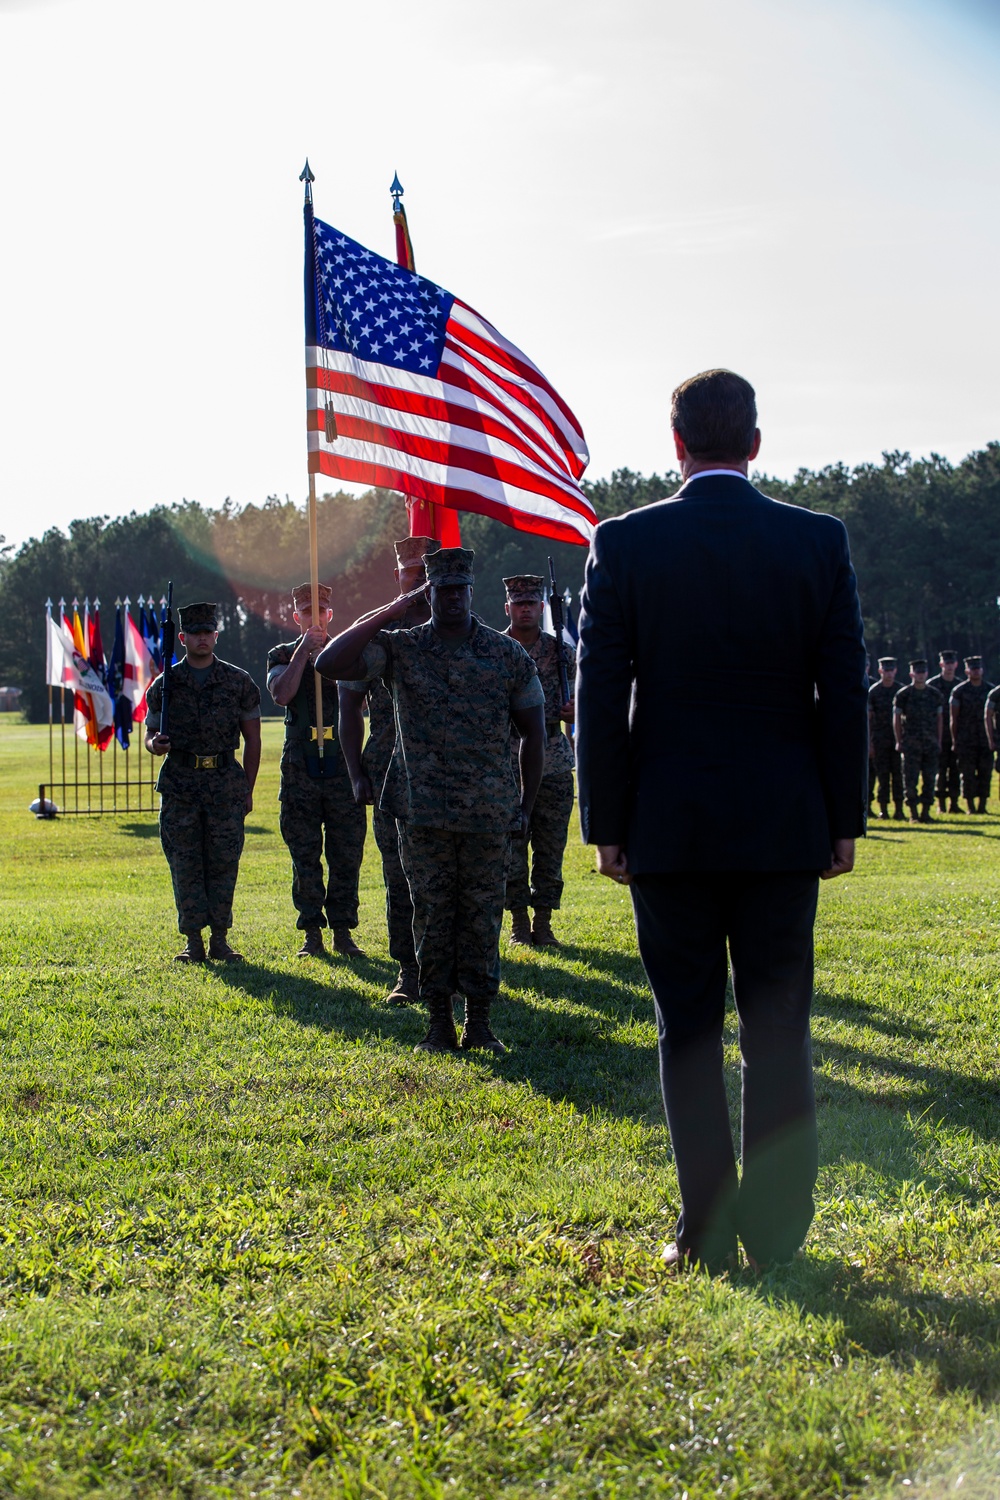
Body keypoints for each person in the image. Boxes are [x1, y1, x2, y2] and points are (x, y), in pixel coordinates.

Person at [575, 368, 867, 1274]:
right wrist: (842, 816)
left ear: (676, 446)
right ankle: (778, 1231)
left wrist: (605, 822)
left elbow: (599, 694)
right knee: (779, 1025)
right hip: (785, 822)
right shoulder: (816, 540)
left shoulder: (624, 543)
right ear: (754, 442)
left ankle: (700, 1230)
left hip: (670, 824)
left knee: (688, 1030)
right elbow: (843, 692)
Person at [316, 547, 545, 1055]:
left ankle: (480, 1023)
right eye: (441, 590)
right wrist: (392, 611)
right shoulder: (402, 649)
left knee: (483, 916)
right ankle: (439, 1022)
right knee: (432, 916)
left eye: (460, 589)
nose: (453, 599)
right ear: (429, 594)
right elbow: (329, 662)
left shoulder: (506, 654)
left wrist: (525, 806)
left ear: (472, 591)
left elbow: (535, 732)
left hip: (488, 815)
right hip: (421, 814)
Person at [339, 537, 438, 1003]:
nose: (416, 579)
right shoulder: (378, 639)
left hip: (448, 777)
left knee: (449, 878)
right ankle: (408, 972)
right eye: (408, 571)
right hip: (391, 775)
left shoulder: (458, 628)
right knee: (399, 877)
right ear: (397, 576)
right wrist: (357, 772)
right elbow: (347, 701)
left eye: (424, 571)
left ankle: (450, 972)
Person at [145, 601, 261, 962]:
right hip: (181, 783)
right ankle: (193, 940)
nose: (202, 638)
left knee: (224, 861)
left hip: (225, 782)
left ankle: (220, 939)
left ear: (216, 635)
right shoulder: (165, 684)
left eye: (208, 632)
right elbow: (150, 736)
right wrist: (156, 745)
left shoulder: (238, 681)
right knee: (185, 862)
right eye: (195, 633)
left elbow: (253, 739)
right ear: (182, 638)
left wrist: (248, 788)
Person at [266, 583, 368, 958]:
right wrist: (301, 654)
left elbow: (364, 695)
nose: (314, 618)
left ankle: (343, 930)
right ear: (297, 618)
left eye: (319, 611)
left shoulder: (348, 651)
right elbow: (281, 694)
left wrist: (328, 655)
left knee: (346, 852)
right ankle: (312, 931)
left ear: (330, 614)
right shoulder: (280, 654)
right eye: (305, 612)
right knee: (304, 853)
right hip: (300, 766)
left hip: (342, 762)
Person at [501, 573, 576, 947]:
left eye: (531, 603)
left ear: (542, 607)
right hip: (507, 763)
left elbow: (586, 698)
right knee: (512, 846)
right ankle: (517, 922)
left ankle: (543, 923)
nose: (525, 609)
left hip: (554, 760)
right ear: (508, 607)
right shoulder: (494, 650)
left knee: (550, 847)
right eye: (518, 603)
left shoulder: (563, 653)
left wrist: (575, 710)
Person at [893, 660, 943, 823]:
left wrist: (939, 740)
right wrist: (899, 740)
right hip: (911, 744)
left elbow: (939, 720)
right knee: (910, 779)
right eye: (917, 672)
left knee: (929, 779)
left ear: (927, 674)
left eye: (923, 672)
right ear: (911, 674)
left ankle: (926, 812)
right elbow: (897, 719)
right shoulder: (903, 694)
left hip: (930, 743)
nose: (920, 675)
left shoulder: (935, 695)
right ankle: (913, 813)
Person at [950, 656, 996, 814]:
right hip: (966, 740)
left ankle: (982, 806)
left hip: (985, 740)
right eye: (973, 668)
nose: (976, 671)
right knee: (967, 774)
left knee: (985, 773)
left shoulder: (990, 690)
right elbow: (954, 718)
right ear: (966, 671)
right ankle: (970, 807)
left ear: (982, 670)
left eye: (978, 668)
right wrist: (955, 740)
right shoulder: (959, 691)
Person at [868, 658, 904, 820]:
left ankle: (899, 810)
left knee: (898, 776)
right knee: (882, 777)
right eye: (885, 670)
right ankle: (883, 810)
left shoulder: (901, 691)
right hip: (880, 740)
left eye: (891, 670)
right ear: (880, 671)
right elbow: (868, 719)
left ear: (895, 671)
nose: (889, 673)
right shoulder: (874, 692)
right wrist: (869, 743)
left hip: (898, 740)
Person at [927, 650, 962, 812]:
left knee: (955, 770)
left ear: (956, 664)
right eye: (946, 663)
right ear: (941, 665)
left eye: (951, 663)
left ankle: (954, 804)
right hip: (937, 735)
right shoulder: (932, 686)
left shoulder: (960, 686)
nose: (949, 666)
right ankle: (940, 804)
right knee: (939, 771)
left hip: (956, 736)